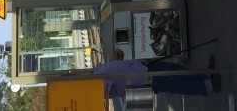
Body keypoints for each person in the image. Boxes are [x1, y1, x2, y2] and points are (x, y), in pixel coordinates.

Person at [92, 49, 220, 101]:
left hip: (141, 67)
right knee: (174, 83)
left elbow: (115, 72)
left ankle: (205, 76)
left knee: (175, 69)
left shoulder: (93, 73)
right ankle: (207, 87)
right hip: (141, 80)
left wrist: (118, 60)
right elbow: (104, 92)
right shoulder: (93, 84)